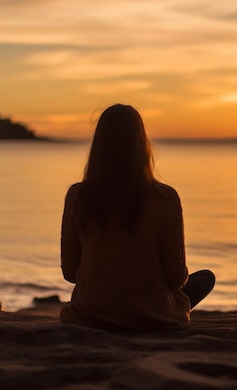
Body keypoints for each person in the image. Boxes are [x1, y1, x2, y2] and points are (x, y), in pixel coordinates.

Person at [60, 104, 215, 331]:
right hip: (152, 317)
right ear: (142, 144)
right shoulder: (165, 198)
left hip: (91, 315)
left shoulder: (78, 196)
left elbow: (70, 272)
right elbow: (175, 277)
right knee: (205, 279)